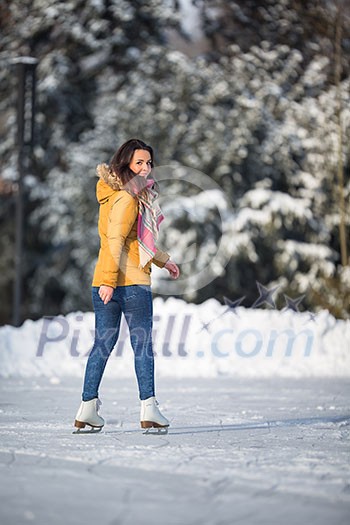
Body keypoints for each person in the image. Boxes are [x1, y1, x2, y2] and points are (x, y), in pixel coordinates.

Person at [74, 139, 180, 433]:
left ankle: (87, 408)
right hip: (129, 283)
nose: (145, 169)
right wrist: (110, 281)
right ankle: (149, 407)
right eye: (139, 163)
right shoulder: (128, 199)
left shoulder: (114, 195)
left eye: (148, 163)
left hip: (105, 281)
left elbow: (134, 241)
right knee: (142, 346)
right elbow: (115, 242)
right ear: (125, 165)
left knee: (102, 345)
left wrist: (164, 261)